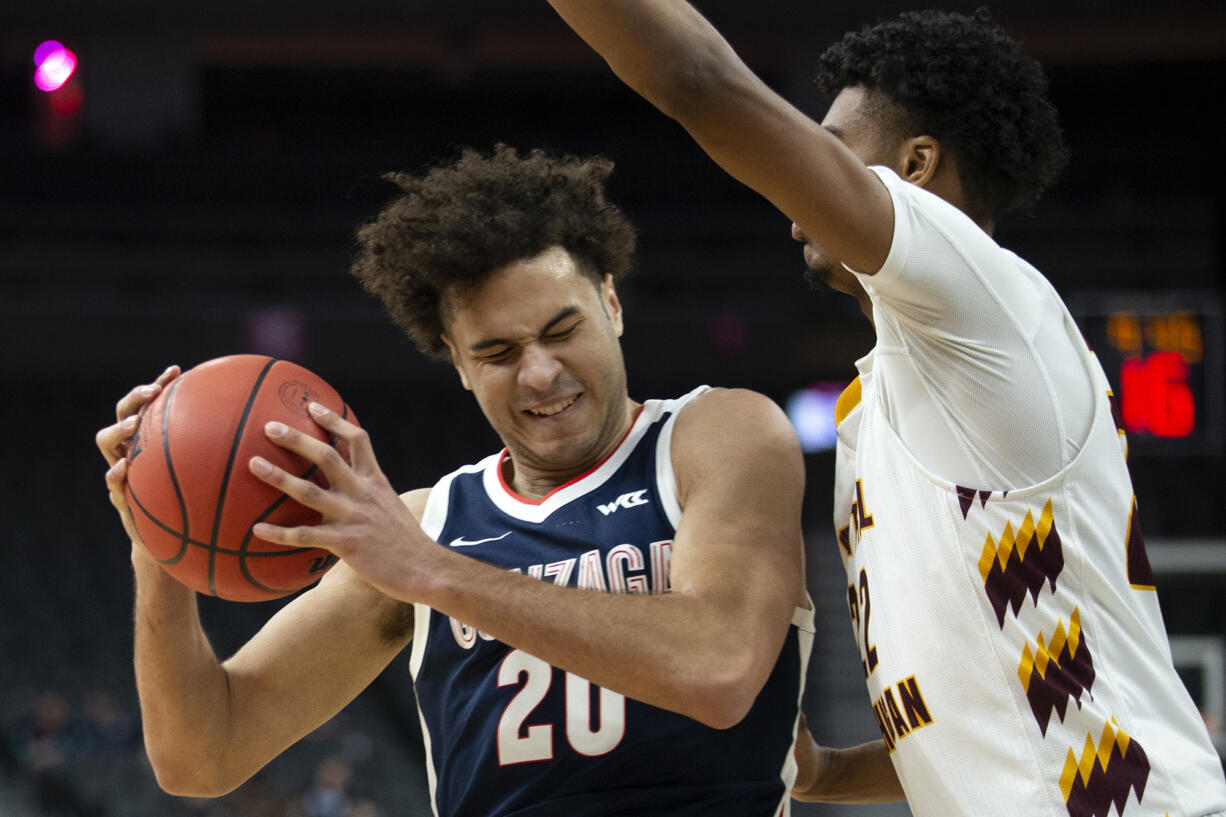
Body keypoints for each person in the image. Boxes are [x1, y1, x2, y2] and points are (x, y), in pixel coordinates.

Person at [545, 2, 1226, 814]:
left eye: (830, 155)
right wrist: (829, 771)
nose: (794, 180)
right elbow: (983, 717)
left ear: (917, 166)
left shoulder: (980, 297)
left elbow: (701, 82)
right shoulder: (902, 390)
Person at [95, 145, 814, 817]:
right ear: (457, 362)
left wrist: (434, 573)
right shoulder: (426, 524)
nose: (539, 372)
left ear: (612, 304)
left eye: (561, 330)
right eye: (497, 351)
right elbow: (201, 755)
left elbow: (720, 666)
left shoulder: (718, 435)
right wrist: (157, 542)